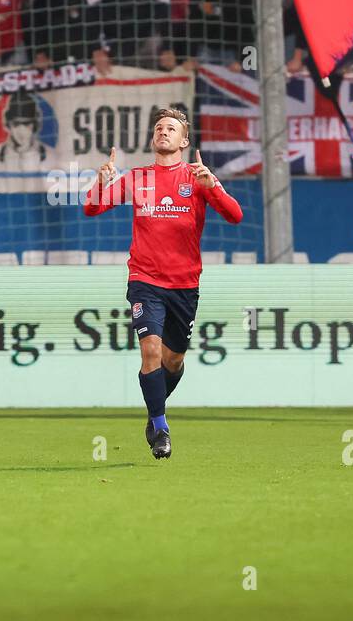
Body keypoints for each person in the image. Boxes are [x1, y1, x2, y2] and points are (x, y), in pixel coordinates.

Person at [83, 109, 243, 458]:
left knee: (173, 361)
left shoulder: (198, 177)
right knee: (150, 351)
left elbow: (235, 216)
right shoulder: (138, 177)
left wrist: (212, 186)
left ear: (184, 140)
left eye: (171, 128)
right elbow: (91, 209)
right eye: (158, 128)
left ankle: (154, 408)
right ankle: (160, 427)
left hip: (185, 285)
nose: (163, 132)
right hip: (145, 280)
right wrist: (101, 182)